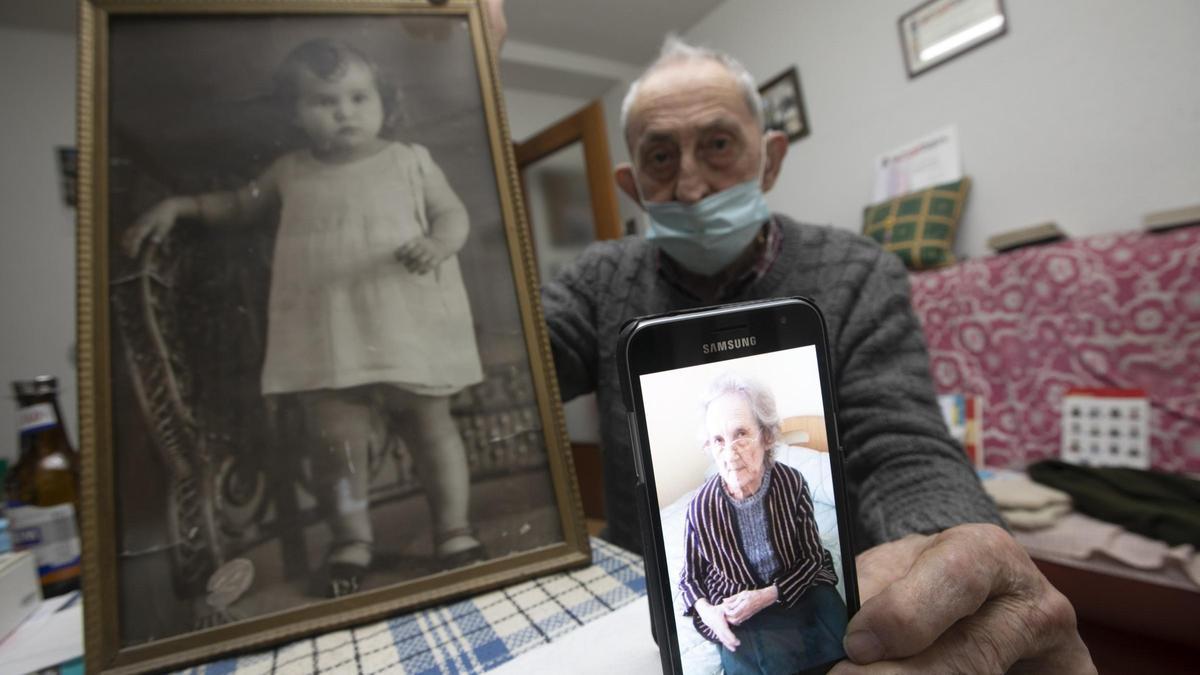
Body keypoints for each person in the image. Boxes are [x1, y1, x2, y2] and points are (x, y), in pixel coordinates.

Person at [540, 35, 1096, 672]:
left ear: (770, 159)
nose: (691, 184)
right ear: (632, 184)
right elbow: (514, 379)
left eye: (718, 145)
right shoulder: (597, 281)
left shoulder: (858, 272)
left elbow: (901, 445)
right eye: (660, 157)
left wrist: (947, 548)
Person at [124, 38, 487, 597]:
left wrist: (439, 243)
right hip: (330, 333)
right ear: (294, 112)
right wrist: (184, 206)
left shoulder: (410, 160)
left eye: (358, 96)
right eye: (323, 100)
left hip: (408, 325)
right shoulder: (290, 170)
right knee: (335, 445)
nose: (344, 111)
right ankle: (352, 539)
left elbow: (452, 214)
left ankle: (454, 530)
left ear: (382, 101)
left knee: (432, 429)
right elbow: (239, 204)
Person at [682, 374, 847, 674]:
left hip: (795, 584)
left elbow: (811, 558)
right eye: (718, 440)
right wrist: (709, 613)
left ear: (767, 436)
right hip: (738, 604)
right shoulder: (700, 507)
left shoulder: (792, 483)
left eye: (741, 434)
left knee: (847, 646)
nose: (730, 455)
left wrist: (767, 595)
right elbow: (689, 580)